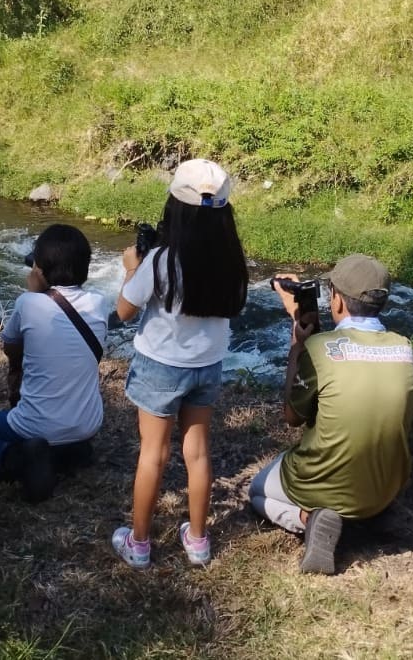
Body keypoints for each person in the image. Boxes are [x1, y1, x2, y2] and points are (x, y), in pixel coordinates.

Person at [111, 159, 248, 569]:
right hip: (207, 365)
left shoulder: (160, 261)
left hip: (160, 366)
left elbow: (124, 311)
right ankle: (199, 540)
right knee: (198, 453)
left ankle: (138, 544)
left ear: (175, 207)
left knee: (153, 454)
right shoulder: (232, 260)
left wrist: (132, 269)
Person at [253, 254, 413, 575]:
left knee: (257, 491)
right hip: (385, 488)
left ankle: (311, 518)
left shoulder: (317, 349)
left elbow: (292, 417)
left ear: (337, 300)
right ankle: (366, 518)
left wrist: (297, 347)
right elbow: (353, 358)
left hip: (321, 485)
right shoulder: (404, 347)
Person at [0, 224, 105, 502]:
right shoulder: (99, 303)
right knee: (58, 434)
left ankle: (16, 460)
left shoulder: (28, 303)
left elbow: (11, 348)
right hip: (88, 423)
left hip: (35, 424)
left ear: (40, 271)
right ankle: (68, 453)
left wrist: (35, 292)